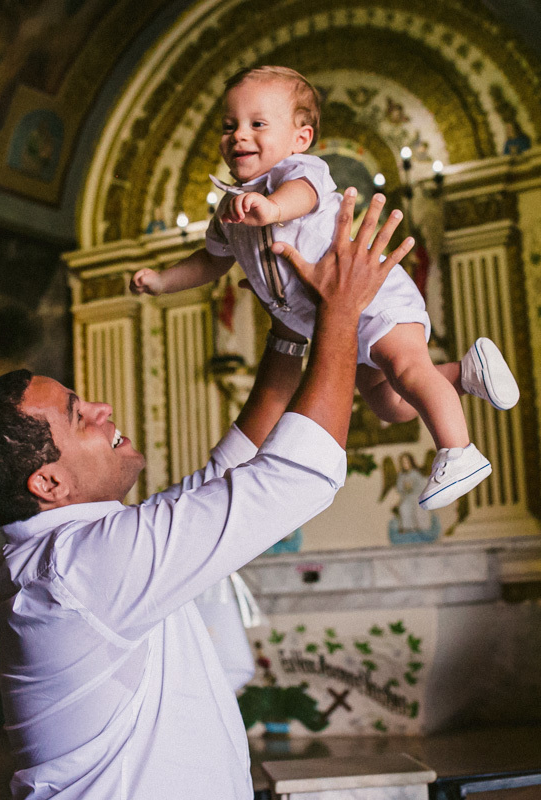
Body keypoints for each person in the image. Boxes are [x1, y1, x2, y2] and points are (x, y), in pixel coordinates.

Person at [0, 189, 413, 800]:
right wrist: (339, 312)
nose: (102, 408)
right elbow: (294, 479)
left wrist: (290, 329)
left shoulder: (74, 556)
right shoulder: (82, 570)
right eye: (77, 414)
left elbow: (229, 472)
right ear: (48, 483)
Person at [130, 65, 520, 511]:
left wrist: (271, 207)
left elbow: (304, 197)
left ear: (300, 138)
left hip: (374, 300)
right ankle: (467, 374)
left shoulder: (298, 174)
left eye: (257, 124)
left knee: (409, 370)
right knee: (390, 403)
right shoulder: (228, 211)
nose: (238, 135)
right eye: (229, 125)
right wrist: (162, 281)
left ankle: (459, 451)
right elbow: (210, 261)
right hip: (338, 323)